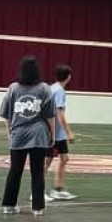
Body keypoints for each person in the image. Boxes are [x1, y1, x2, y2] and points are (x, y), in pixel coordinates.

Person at [0, 56, 56, 216]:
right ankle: (38, 208)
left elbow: (6, 114)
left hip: (18, 134)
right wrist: (52, 134)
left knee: (15, 170)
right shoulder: (44, 88)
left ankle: (8, 205)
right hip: (39, 135)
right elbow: (50, 115)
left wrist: (9, 133)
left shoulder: (13, 88)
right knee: (37, 171)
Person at [47, 65, 75, 201]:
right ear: (68, 77)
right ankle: (36, 192)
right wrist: (68, 132)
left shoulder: (52, 88)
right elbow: (60, 113)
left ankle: (58, 189)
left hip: (58, 134)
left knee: (64, 159)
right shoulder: (59, 91)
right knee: (47, 162)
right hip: (54, 134)